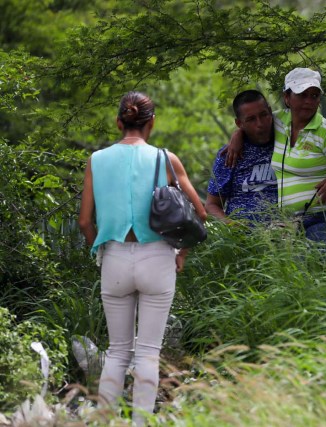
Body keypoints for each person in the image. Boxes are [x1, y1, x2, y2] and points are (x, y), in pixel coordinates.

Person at [78, 91, 207, 425]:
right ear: (152, 122)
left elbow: (83, 221)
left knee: (118, 351)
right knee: (149, 352)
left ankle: (105, 420)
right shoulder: (166, 159)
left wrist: (101, 253)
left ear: (119, 122)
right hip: (157, 259)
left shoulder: (97, 159)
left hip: (114, 259)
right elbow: (200, 214)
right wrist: (182, 254)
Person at [226, 68, 326, 258]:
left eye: (314, 96)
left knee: (305, 262)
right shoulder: (279, 121)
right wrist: (237, 135)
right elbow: (253, 121)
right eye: (302, 95)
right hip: (297, 221)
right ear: (287, 98)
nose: (308, 101)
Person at [205, 90, 278, 223]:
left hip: (287, 232)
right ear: (239, 123)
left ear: (270, 112)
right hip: (243, 237)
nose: (260, 124)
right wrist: (232, 228)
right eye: (251, 119)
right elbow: (212, 204)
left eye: (263, 115)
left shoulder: (288, 142)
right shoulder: (229, 155)